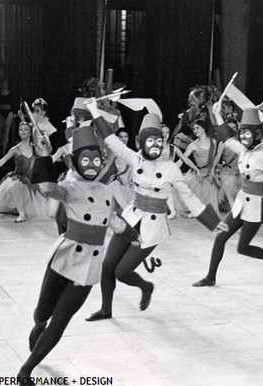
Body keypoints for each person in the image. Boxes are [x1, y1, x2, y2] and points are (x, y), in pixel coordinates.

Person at [16, 127, 139, 386]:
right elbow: (47, 188)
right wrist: (45, 155)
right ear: (75, 162)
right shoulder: (70, 188)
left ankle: (26, 369)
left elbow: (115, 222)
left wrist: (137, 238)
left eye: (96, 160)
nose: (92, 165)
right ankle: (38, 325)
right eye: (86, 160)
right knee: (43, 314)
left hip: (88, 269)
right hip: (64, 258)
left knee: (59, 322)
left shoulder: (107, 193)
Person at [83, 99, 228, 321]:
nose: (154, 145)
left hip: (152, 227)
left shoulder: (171, 169)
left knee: (122, 272)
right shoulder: (135, 158)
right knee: (107, 265)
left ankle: (145, 286)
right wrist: (93, 109)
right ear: (142, 142)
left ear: (162, 143)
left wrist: (212, 220)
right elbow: (112, 141)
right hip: (130, 219)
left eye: (158, 141)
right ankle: (106, 309)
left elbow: (188, 197)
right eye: (149, 140)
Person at [192, 109, 263, 287]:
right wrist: (217, 114)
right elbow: (226, 137)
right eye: (242, 133)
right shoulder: (243, 150)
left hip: (257, 206)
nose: (244, 137)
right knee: (220, 238)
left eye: (247, 133)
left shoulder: (262, 156)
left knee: (243, 248)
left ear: (256, 134)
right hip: (241, 202)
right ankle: (210, 277)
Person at [0, 122, 48, 223]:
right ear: (18, 133)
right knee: (14, 186)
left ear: (30, 133)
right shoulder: (15, 149)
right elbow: (1, 161)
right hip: (19, 179)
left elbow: (47, 156)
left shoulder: (36, 148)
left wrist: (46, 141)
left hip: (31, 181)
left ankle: (21, 209)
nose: (23, 131)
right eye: (20, 130)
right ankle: (22, 214)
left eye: (26, 129)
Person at [174, 119, 220, 217]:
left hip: (212, 173)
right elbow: (184, 158)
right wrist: (173, 167)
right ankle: (196, 210)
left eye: (197, 128)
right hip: (199, 174)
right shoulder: (193, 145)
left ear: (203, 128)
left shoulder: (213, 142)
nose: (195, 131)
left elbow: (216, 158)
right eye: (194, 129)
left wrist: (213, 171)